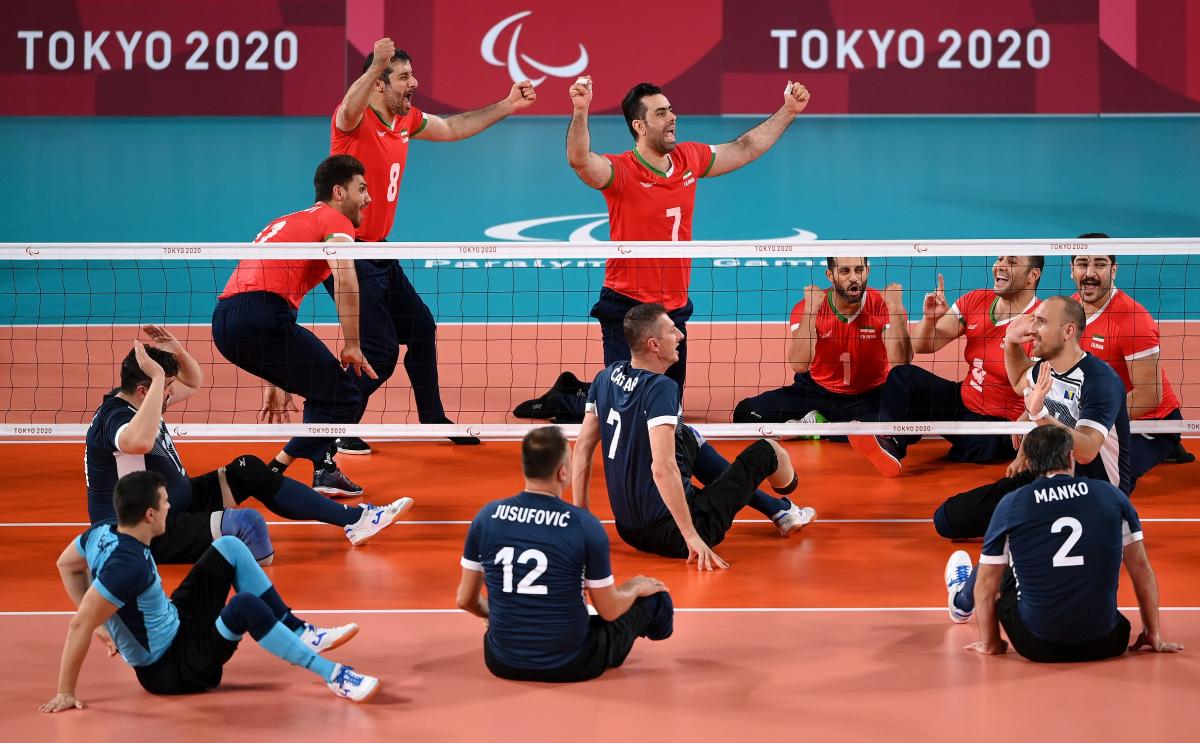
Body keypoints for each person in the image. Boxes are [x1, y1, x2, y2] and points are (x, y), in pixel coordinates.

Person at [513, 75, 812, 423]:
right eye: (660, 113)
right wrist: (581, 110)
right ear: (639, 125)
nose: (672, 118)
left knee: (667, 413)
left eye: (670, 110)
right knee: (626, 411)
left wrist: (789, 111)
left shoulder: (690, 159)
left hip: (673, 310)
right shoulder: (621, 171)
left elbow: (744, 148)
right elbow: (580, 161)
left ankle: (577, 389)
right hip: (627, 307)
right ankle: (567, 401)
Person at [327, 37, 537, 453]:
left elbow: (454, 127)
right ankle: (334, 425)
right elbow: (349, 104)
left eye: (412, 74)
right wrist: (374, 67)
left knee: (421, 328)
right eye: (404, 76)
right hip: (348, 253)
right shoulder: (352, 121)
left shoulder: (405, 120)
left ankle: (431, 417)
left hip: (380, 252)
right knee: (380, 353)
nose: (414, 83)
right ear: (380, 86)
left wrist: (507, 105)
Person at [41, 471, 380, 713]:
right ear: (149, 514)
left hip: (175, 622)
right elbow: (78, 625)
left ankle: (298, 631)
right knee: (245, 606)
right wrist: (66, 691)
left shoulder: (100, 532)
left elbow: (67, 565)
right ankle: (334, 675)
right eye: (164, 503)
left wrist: (102, 626)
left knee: (230, 546)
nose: (170, 508)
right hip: (172, 669)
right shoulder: (127, 566)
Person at [100, 329, 410, 564]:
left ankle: (354, 520)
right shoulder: (115, 418)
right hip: (147, 534)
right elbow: (137, 442)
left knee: (249, 468)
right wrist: (158, 381)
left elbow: (193, 382)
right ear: (144, 390)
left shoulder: (140, 400)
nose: (170, 393)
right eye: (165, 387)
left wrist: (178, 353)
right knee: (248, 524)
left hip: (178, 501)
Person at [571, 303, 816, 571]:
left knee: (685, 435)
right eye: (671, 331)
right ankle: (788, 493)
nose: (680, 336)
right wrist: (691, 537)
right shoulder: (662, 388)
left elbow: (582, 448)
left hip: (628, 530)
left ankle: (779, 511)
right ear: (654, 344)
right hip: (674, 536)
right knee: (769, 450)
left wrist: (582, 519)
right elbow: (662, 468)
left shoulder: (606, 377)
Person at [941, 425, 1182, 663]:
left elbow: (986, 583)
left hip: (1036, 646)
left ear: (1029, 464)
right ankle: (1143, 630)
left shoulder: (1013, 503)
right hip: (1108, 642)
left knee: (998, 565)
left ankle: (960, 602)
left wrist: (991, 643)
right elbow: (1141, 569)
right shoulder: (1111, 495)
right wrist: (1153, 633)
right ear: (1071, 457)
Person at [213, 154, 377, 496]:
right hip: (264, 317)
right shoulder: (335, 219)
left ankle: (324, 470)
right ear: (339, 193)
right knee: (344, 394)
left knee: (321, 388)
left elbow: (258, 288)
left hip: (226, 323)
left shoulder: (290, 220)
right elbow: (346, 278)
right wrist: (352, 343)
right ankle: (276, 469)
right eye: (361, 189)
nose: (368, 198)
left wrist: (276, 375)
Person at [456, 426, 674, 682]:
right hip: (575, 663)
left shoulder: (487, 517)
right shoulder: (584, 524)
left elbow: (465, 600)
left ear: (526, 468)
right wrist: (635, 587)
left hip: (501, 660)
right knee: (655, 597)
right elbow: (609, 610)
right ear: (563, 472)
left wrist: (497, 615)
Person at [933, 296, 1132, 539]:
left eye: (1041, 322)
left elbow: (1087, 450)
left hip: (1094, 490)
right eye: (1033, 320)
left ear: (1068, 331)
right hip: (1049, 475)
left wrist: (1038, 414)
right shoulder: (1044, 368)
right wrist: (1010, 341)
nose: (1032, 329)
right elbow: (1019, 381)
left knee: (1032, 539)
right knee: (949, 518)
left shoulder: (1099, 381)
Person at [849, 256, 1044, 477]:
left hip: (999, 424)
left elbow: (1035, 388)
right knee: (902, 376)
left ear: (1032, 275)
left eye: (1012, 262)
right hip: (963, 400)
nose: (1000, 265)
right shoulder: (977, 299)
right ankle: (892, 441)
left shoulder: (1038, 323)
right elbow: (922, 346)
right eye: (999, 259)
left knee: (980, 448)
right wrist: (930, 320)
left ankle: (898, 427)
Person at [733, 257, 912, 426]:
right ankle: (843, 427)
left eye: (859, 270)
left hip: (870, 395)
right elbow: (800, 365)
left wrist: (896, 309)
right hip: (817, 392)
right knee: (746, 413)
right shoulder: (808, 306)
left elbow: (901, 361)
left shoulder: (885, 304)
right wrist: (811, 312)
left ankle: (817, 426)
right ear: (830, 275)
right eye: (844, 271)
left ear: (868, 271)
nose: (854, 278)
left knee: (910, 421)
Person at [1069, 242, 1193, 477]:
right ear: (1071, 269)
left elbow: (1149, 395)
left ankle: (1166, 443)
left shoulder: (1133, 320)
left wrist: (1090, 421)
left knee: (1099, 473)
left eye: (1100, 264)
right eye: (1082, 264)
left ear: (1113, 270)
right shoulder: (1069, 310)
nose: (1090, 273)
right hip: (1099, 413)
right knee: (1050, 461)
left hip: (1151, 422)